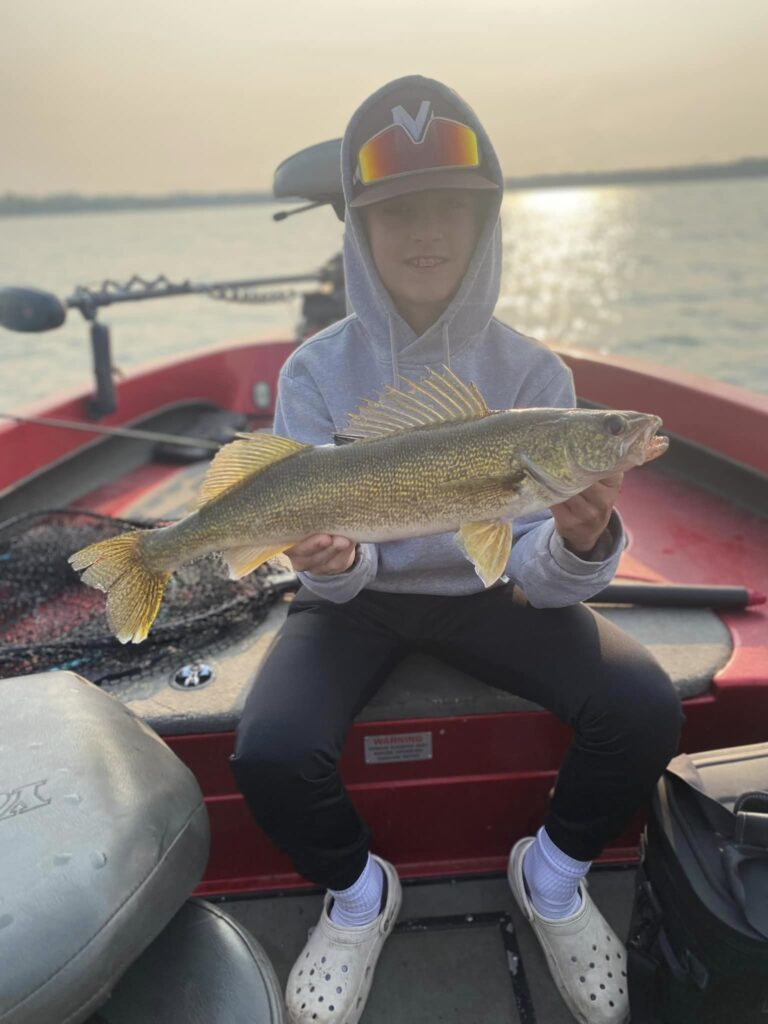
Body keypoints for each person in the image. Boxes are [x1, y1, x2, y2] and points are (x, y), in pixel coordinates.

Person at [230, 74, 683, 1024]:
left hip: (491, 594)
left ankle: (553, 875)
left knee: (642, 703)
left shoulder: (537, 377)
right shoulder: (314, 371)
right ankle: (359, 894)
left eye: (450, 209)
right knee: (270, 750)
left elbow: (538, 581)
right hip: (356, 598)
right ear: (358, 231)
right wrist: (333, 564)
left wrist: (582, 539)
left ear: (489, 225)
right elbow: (329, 556)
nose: (426, 233)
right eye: (398, 214)